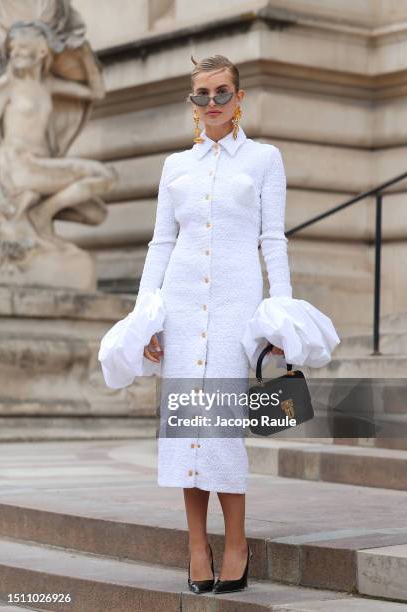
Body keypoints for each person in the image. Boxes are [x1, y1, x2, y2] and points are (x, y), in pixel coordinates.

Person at [99, 54, 340, 595]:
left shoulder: (264, 160)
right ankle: (195, 545)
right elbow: (161, 242)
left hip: (235, 306)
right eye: (202, 94)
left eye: (221, 92)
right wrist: (146, 319)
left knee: (223, 431)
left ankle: (235, 542)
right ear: (193, 103)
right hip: (180, 305)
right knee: (187, 429)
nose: (212, 103)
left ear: (239, 97)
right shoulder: (174, 167)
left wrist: (282, 312)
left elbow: (272, 239)